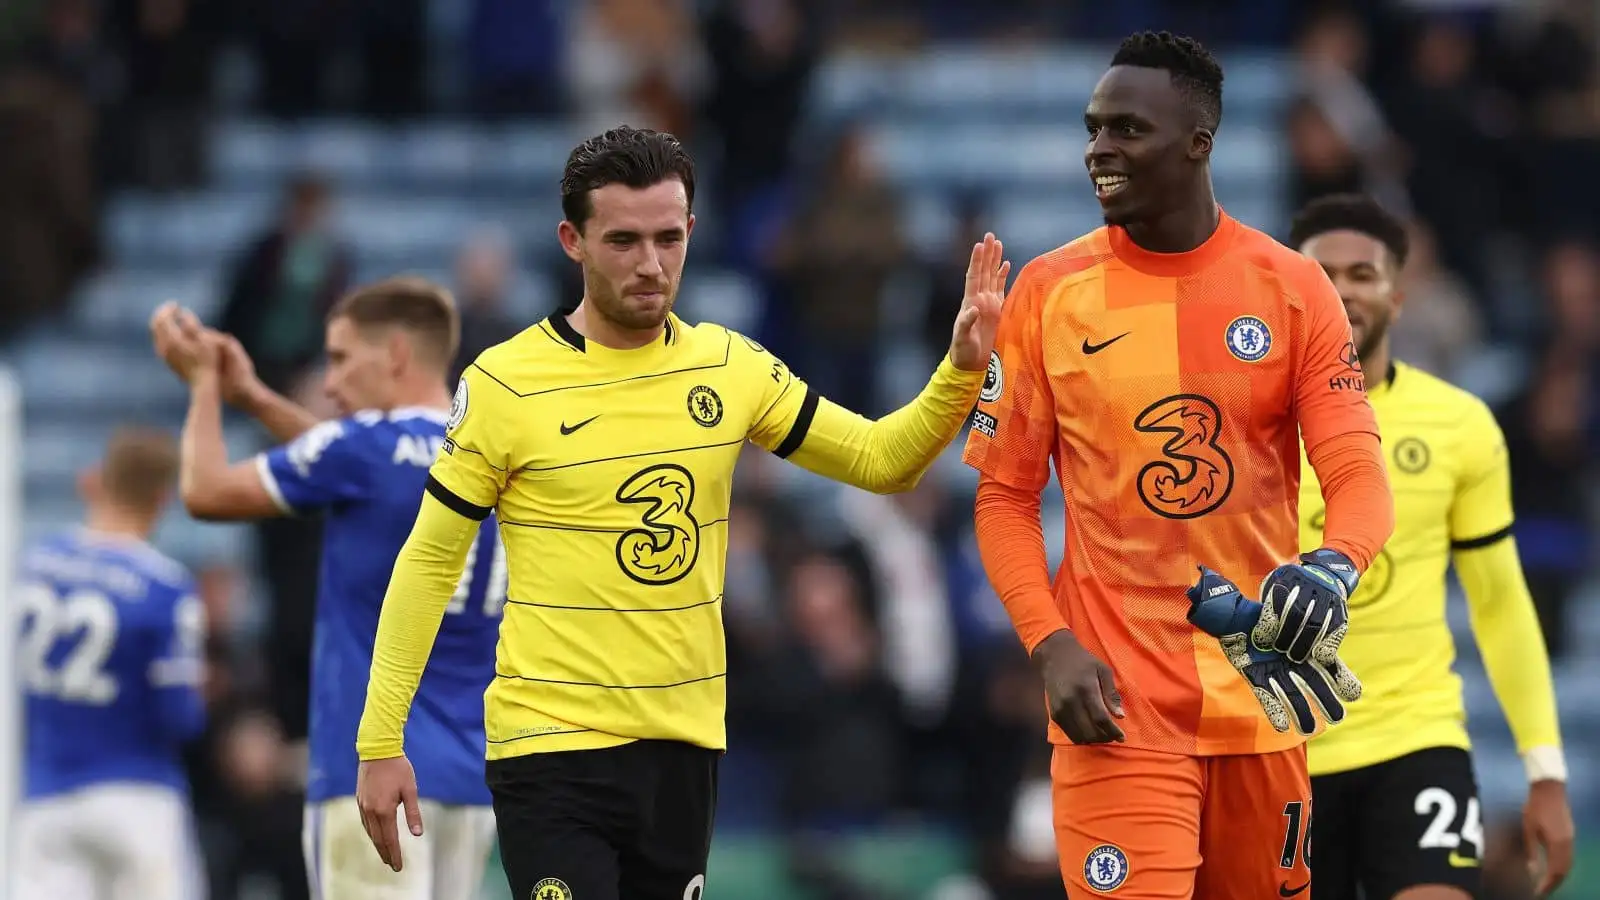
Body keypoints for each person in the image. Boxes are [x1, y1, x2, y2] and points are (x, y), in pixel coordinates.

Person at [352, 124, 1005, 900]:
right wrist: (380, 739)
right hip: (551, 747)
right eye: (623, 241)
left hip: (684, 746)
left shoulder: (731, 368)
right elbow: (430, 560)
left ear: (692, 229)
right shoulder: (505, 383)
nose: (651, 264)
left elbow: (880, 460)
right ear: (573, 240)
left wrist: (961, 368)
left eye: (668, 237)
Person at [963, 32, 1395, 899]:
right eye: (1093, 129)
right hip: (1116, 712)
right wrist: (1049, 644)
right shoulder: (1048, 294)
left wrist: (1334, 567)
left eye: (1128, 129)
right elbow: (1005, 495)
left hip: (1264, 708)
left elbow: (1357, 472)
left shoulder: (1293, 289)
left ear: (1199, 141)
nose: (1099, 150)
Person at [149, 278, 503, 900]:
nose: (332, 384)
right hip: (468, 781)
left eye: (341, 358)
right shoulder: (493, 459)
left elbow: (206, 491)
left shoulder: (360, 451)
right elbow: (342, 460)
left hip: (371, 773)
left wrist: (204, 384)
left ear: (395, 354)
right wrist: (255, 396)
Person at [1289, 193, 1575, 900]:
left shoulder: (1459, 425)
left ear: (1399, 294)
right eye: (1322, 274)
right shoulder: (1240, 427)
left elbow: (1501, 603)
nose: (1342, 291)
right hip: (1279, 753)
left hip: (1416, 742)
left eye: (1362, 274)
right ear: (1288, 294)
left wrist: (1544, 771)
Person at [11, 428, 208, 900]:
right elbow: (180, 717)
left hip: (44, 795)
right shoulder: (166, 587)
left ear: (94, 481)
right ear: (163, 499)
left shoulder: (31, 565)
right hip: (137, 798)